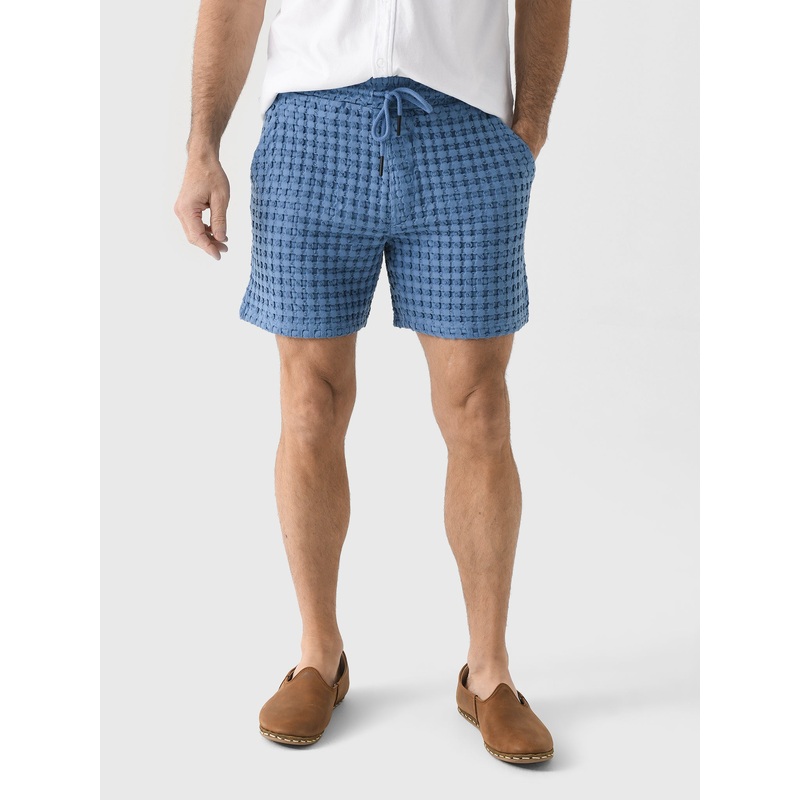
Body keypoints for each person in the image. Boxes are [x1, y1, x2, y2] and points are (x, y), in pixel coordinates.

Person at [174, 0, 571, 763]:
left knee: (480, 408)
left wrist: (529, 128)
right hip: (310, 131)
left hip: (463, 128)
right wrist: (202, 146)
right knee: (309, 403)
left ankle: (489, 674)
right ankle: (317, 656)